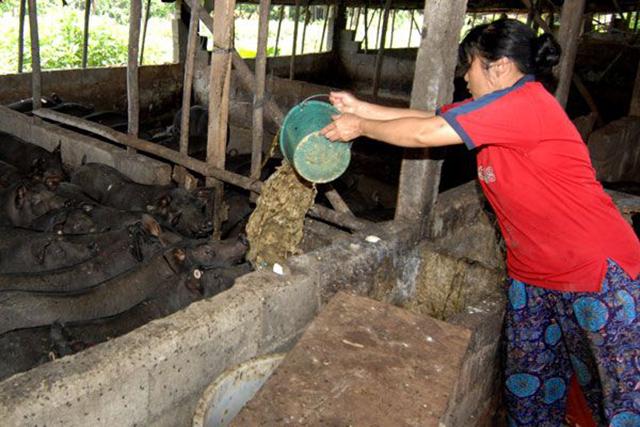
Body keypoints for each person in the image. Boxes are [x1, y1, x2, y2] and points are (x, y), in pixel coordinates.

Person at [320, 18, 640, 427]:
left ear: (500, 66)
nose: (464, 76)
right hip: (534, 275)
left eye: (469, 65)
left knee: (620, 393)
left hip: (594, 270)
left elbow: (425, 134)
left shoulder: (526, 105)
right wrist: (360, 107)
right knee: (531, 389)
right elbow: (430, 118)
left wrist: (360, 128)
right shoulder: (494, 108)